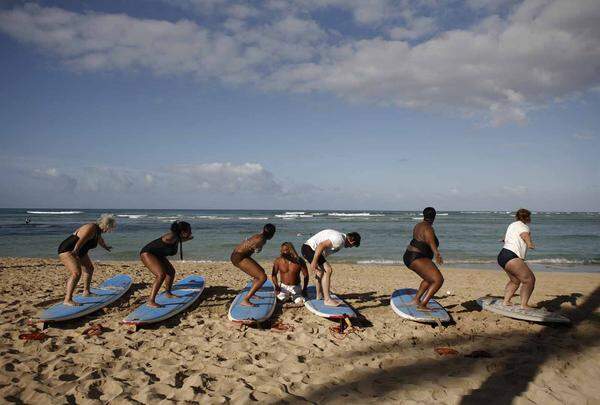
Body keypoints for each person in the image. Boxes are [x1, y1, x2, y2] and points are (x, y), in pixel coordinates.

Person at [57, 214, 116, 306]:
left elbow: (100, 240)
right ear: (106, 225)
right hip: (69, 250)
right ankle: (67, 299)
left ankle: (86, 292)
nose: (109, 230)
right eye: (110, 228)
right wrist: (75, 251)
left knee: (89, 268)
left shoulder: (98, 231)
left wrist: (106, 247)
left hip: (80, 251)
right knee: (76, 273)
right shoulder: (91, 227)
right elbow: (81, 240)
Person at [140, 221, 193, 308]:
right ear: (182, 231)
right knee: (161, 275)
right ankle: (150, 301)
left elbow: (180, 239)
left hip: (158, 255)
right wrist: (185, 237)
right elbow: (171, 239)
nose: (191, 232)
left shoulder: (177, 237)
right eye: (189, 230)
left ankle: (168, 293)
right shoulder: (171, 237)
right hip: (147, 254)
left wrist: (187, 237)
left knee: (171, 272)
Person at [301, 229, 361, 307]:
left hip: (309, 249)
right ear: (352, 242)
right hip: (309, 249)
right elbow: (321, 245)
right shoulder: (339, 240)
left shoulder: (341, 238)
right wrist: (314, 261)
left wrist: (319, 263)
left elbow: (324, 251)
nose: (350, 247)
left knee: (321, 271)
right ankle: (327, 300)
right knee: (328, 270)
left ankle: (319, 295)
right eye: (352, 246)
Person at [402, 207, 444, 311]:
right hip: (416, 257)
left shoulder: (419, 225)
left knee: (429, 278)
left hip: (411, 255)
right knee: (438, 280)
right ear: (434, 217)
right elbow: (430, 241)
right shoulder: (428, 228)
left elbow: (421, 240)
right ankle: (423, 305)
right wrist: (437, 254)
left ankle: (416, 300)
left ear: (424, 215)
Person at [497, 208, 536, 309]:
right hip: (511, 256)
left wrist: (503, 239)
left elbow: (505, 237)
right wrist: (530, 244)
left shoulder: (512, 224)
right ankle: (524, 305)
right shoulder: (524, 227)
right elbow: (524, 235)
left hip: (502, 255)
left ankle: (506, 301)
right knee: (529, 280)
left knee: (515, 281)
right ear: (527, 217)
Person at [230, 224, 276, 307]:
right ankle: (245, 300)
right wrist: (256, 248)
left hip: (238, 255)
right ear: (272, 234)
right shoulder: (262, 239)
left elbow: (249, 244)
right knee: (262, 277)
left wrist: (254, 247)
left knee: (260, 273)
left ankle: (252, 293)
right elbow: (254, 247)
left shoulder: (259, 236)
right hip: (239, 257)